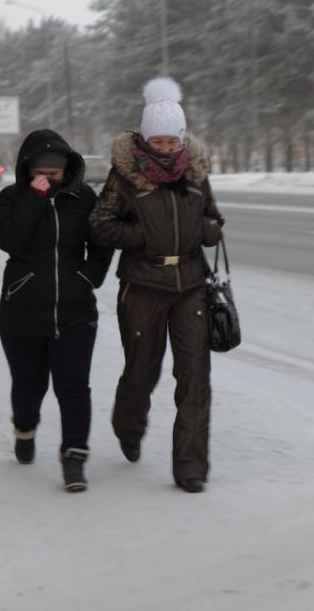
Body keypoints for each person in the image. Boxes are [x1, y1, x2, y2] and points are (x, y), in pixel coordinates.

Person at [89, 77, 224, 493]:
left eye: (172, 141)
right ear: (146, 140)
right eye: (159, 141)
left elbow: (214, 219)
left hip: (191, 287)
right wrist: (143, 238)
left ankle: (191, 468)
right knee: (141, 371)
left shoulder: (196, 174)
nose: (166, 149)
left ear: (182, 139)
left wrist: (208, 229)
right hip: (143, 285)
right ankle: (128, 425)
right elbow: (100, 225)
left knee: (195, 378)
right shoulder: (126, 177)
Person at [0, 129, 113, 492]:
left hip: (76, 311)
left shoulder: (83, 198)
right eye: (39, 171)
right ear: (26, 169)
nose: (47, 177)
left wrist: (88, 278)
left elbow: (102, 243)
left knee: (74, 387)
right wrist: (34, 198)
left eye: (54, 171)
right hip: (22, 311)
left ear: (68, 167)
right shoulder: (12, 198)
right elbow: (7, 240)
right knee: (29, 386)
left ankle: (74, 457)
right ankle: (24, 428)